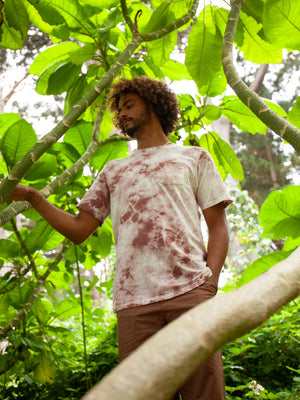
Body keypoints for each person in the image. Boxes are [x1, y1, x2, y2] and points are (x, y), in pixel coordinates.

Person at [8, 76, 232, 400]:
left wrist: (209, 283)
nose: (123, 113)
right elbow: (79, 230)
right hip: (134, 304)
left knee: (205, 394)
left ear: (153, 104)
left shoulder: (193, 157)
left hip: (189, 293)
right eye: (120, 109)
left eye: (130, 105)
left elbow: (218, 226)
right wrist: (33, 197)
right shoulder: (113, 171)